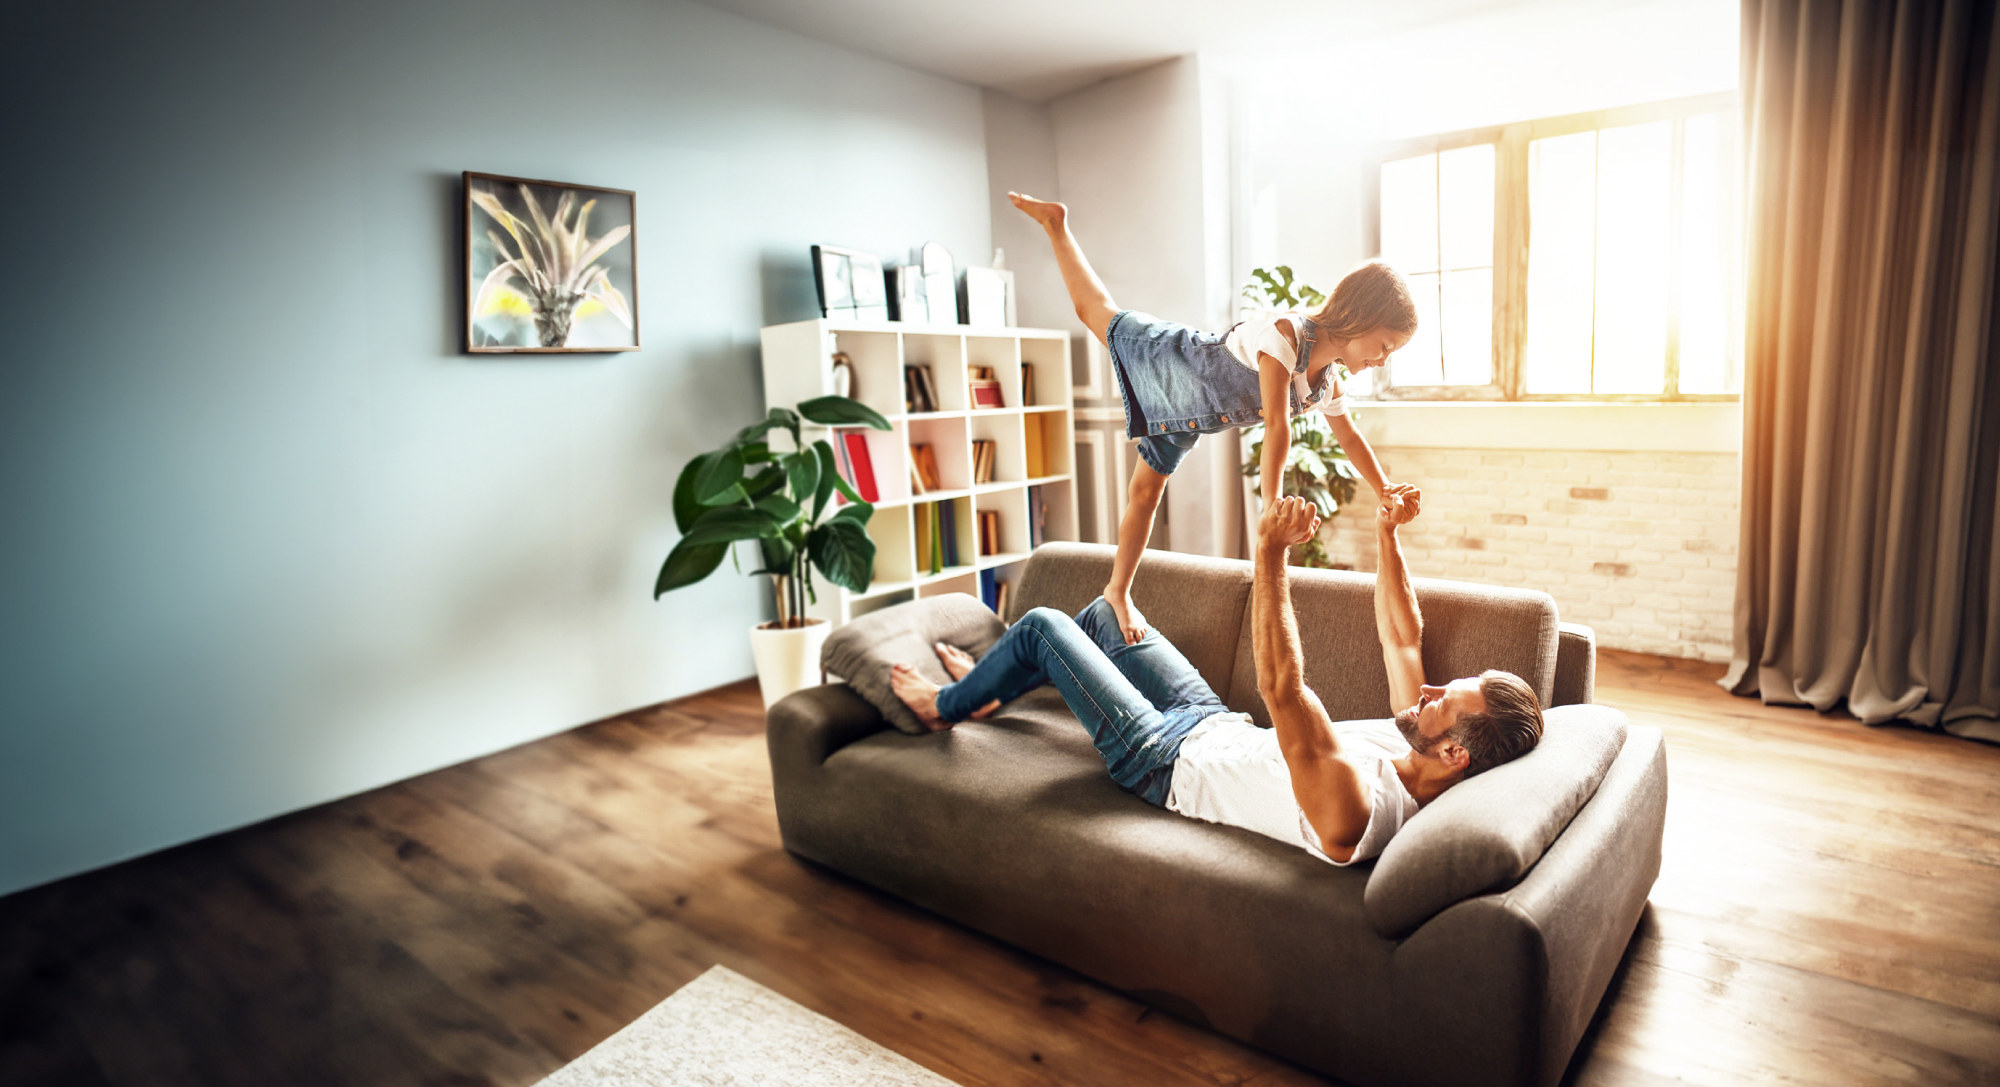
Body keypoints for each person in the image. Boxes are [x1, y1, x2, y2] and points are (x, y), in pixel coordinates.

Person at [888, 491, 1546, 865]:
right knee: (1102, 615)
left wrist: (1269, 553)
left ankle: (947, 706)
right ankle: (996, 686)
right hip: (1206, 719)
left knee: (1040, 625)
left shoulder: (1359, 809)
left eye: (1441, 701)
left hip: (1161, 759)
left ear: (1456, 751)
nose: (1427, 692)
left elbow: (1282, 688)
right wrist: (1387, 533)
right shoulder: (1420, 746)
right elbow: (1402, 637)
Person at [1009, 190, 1418, 645]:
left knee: (1144, 493)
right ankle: (1056, 225)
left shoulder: (1326, 382)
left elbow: (1350, 435)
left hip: (1188, 419)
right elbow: (1278, 427)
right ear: (1360, 316)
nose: (1383, 360)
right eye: (1385, 346)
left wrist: (1384, 487)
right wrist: (1273, 506)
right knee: (1097, 314)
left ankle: (1117, 591)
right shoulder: (1287, 335)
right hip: (1178, 364)